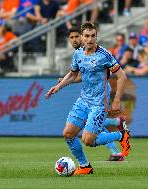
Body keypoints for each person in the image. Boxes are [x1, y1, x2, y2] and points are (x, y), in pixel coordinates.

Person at [45, 22, 131, 175]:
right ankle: (85, 166)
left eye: (93, 36)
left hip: (99, 103)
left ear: (96, 37)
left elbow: (122, 76)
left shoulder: (104, 55)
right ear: (82, 38)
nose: (90, 39)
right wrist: (58, 87)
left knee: (88, 140)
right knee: (68, 134)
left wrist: (116, 100)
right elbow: (72, 74)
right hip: (83, 100)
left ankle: (121, 135)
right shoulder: (78, 54)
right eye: (87, 36)